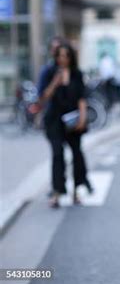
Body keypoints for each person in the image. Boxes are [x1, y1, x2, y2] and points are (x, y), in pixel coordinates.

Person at [38, 43, 93, 208]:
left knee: (77, 154)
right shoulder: (49, 72)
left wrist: (82, 118)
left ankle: (76, 191)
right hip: (55, 120)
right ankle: (57, 192)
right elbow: (43, 97)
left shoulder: (77, 74)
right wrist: (55, 82)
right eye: (60, 56)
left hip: (73, 120)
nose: (63, 59)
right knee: (57, 154)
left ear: (71, 57)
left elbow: (82, 98)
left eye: (66, 56)